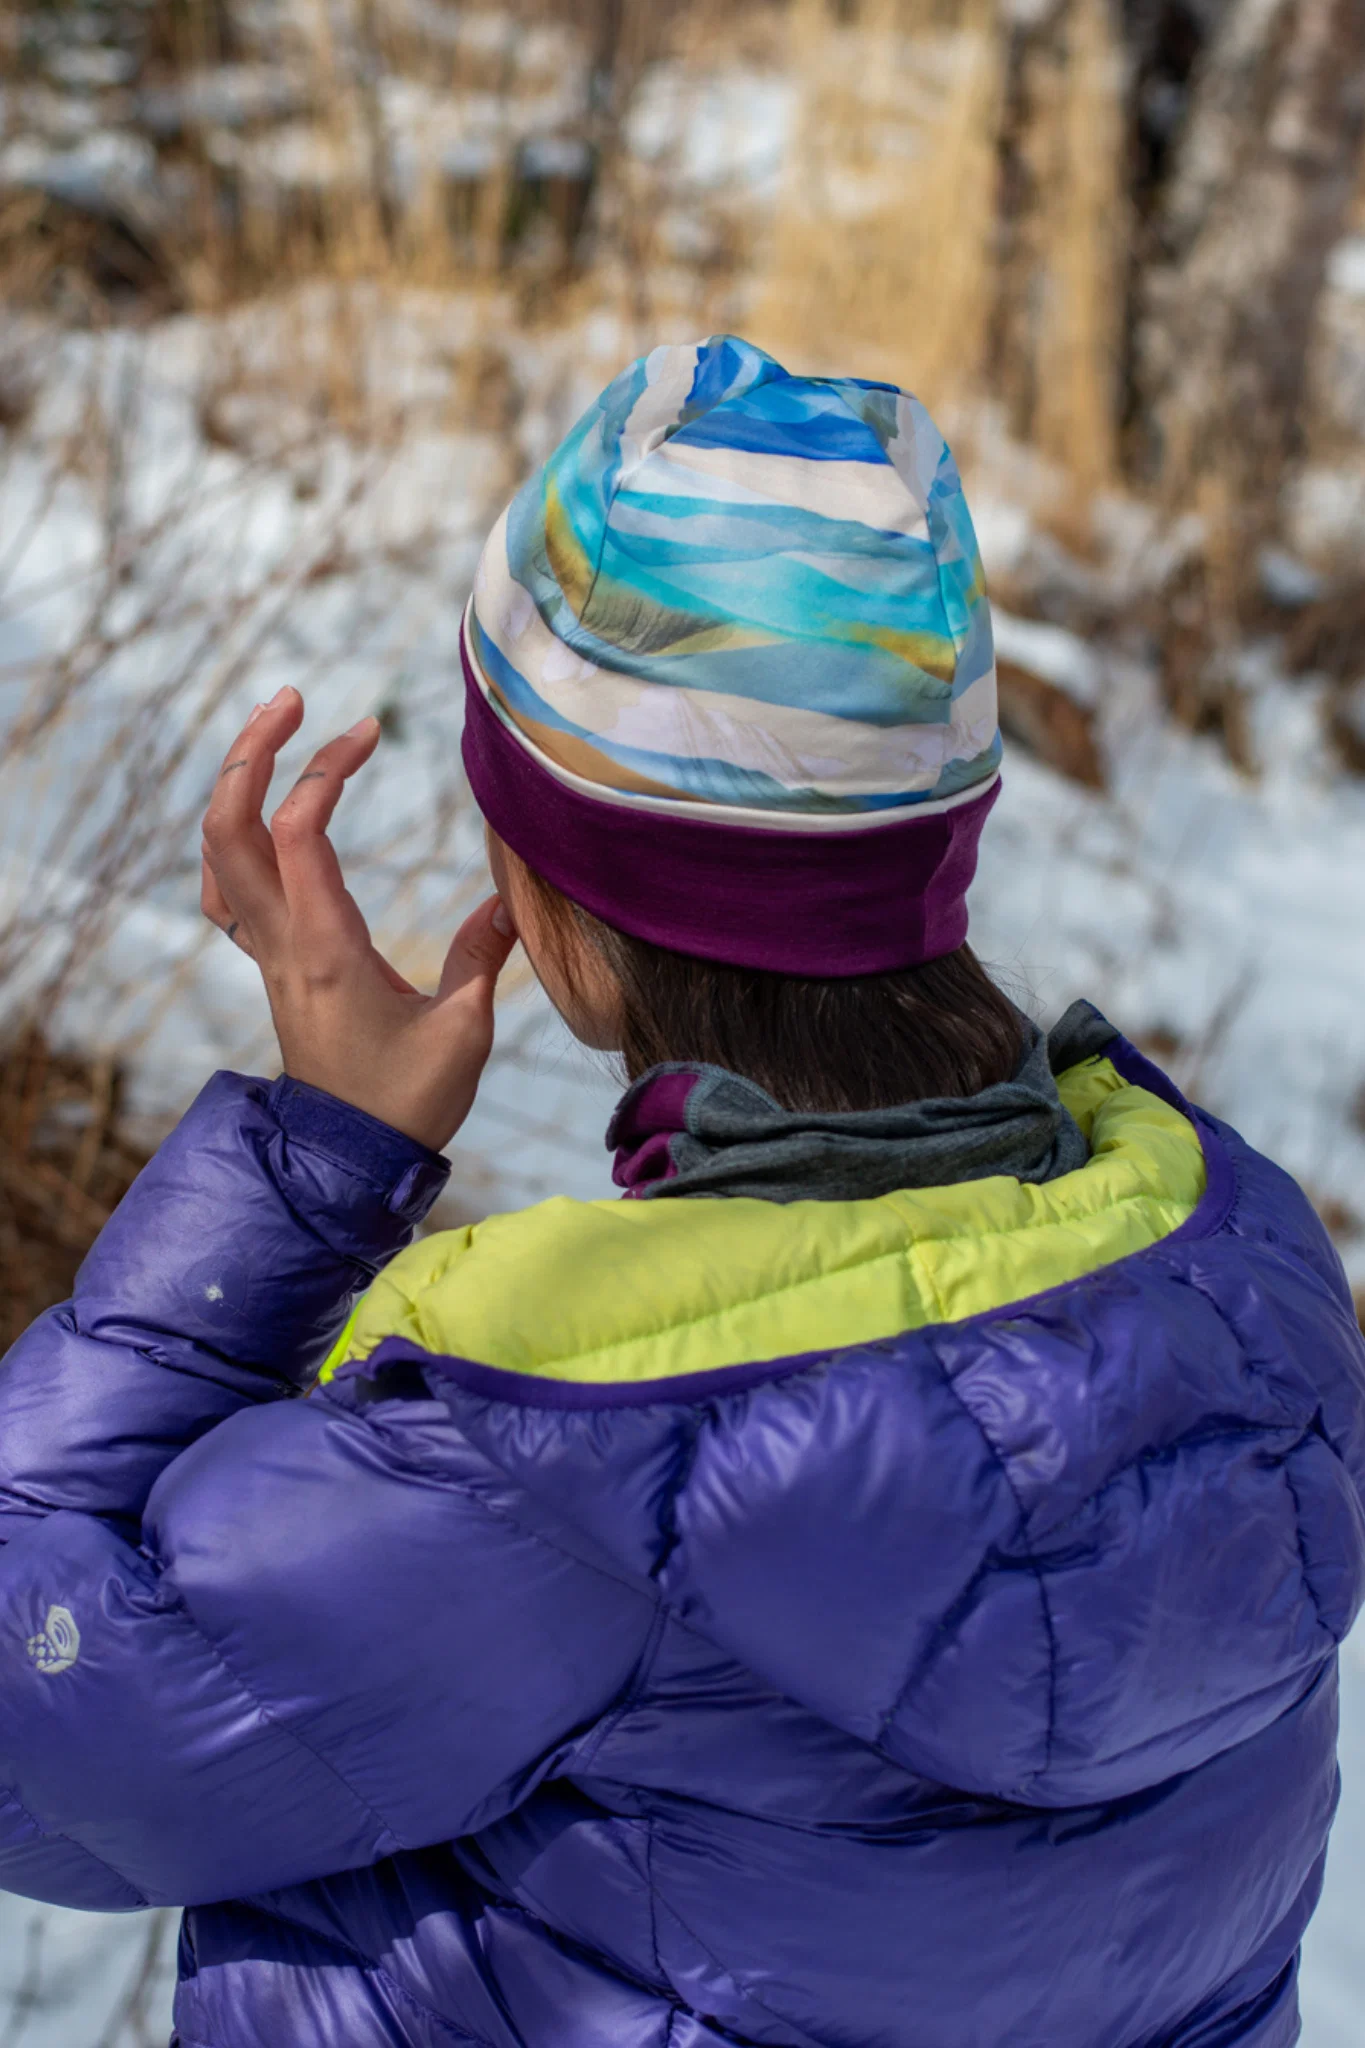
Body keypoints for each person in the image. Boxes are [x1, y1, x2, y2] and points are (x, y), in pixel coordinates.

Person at [0, 335, 1361, 2048]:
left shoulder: (549, 1459)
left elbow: (41, 1736)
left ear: (557, 889)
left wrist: (309, 1161)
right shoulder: (1240, 1287)